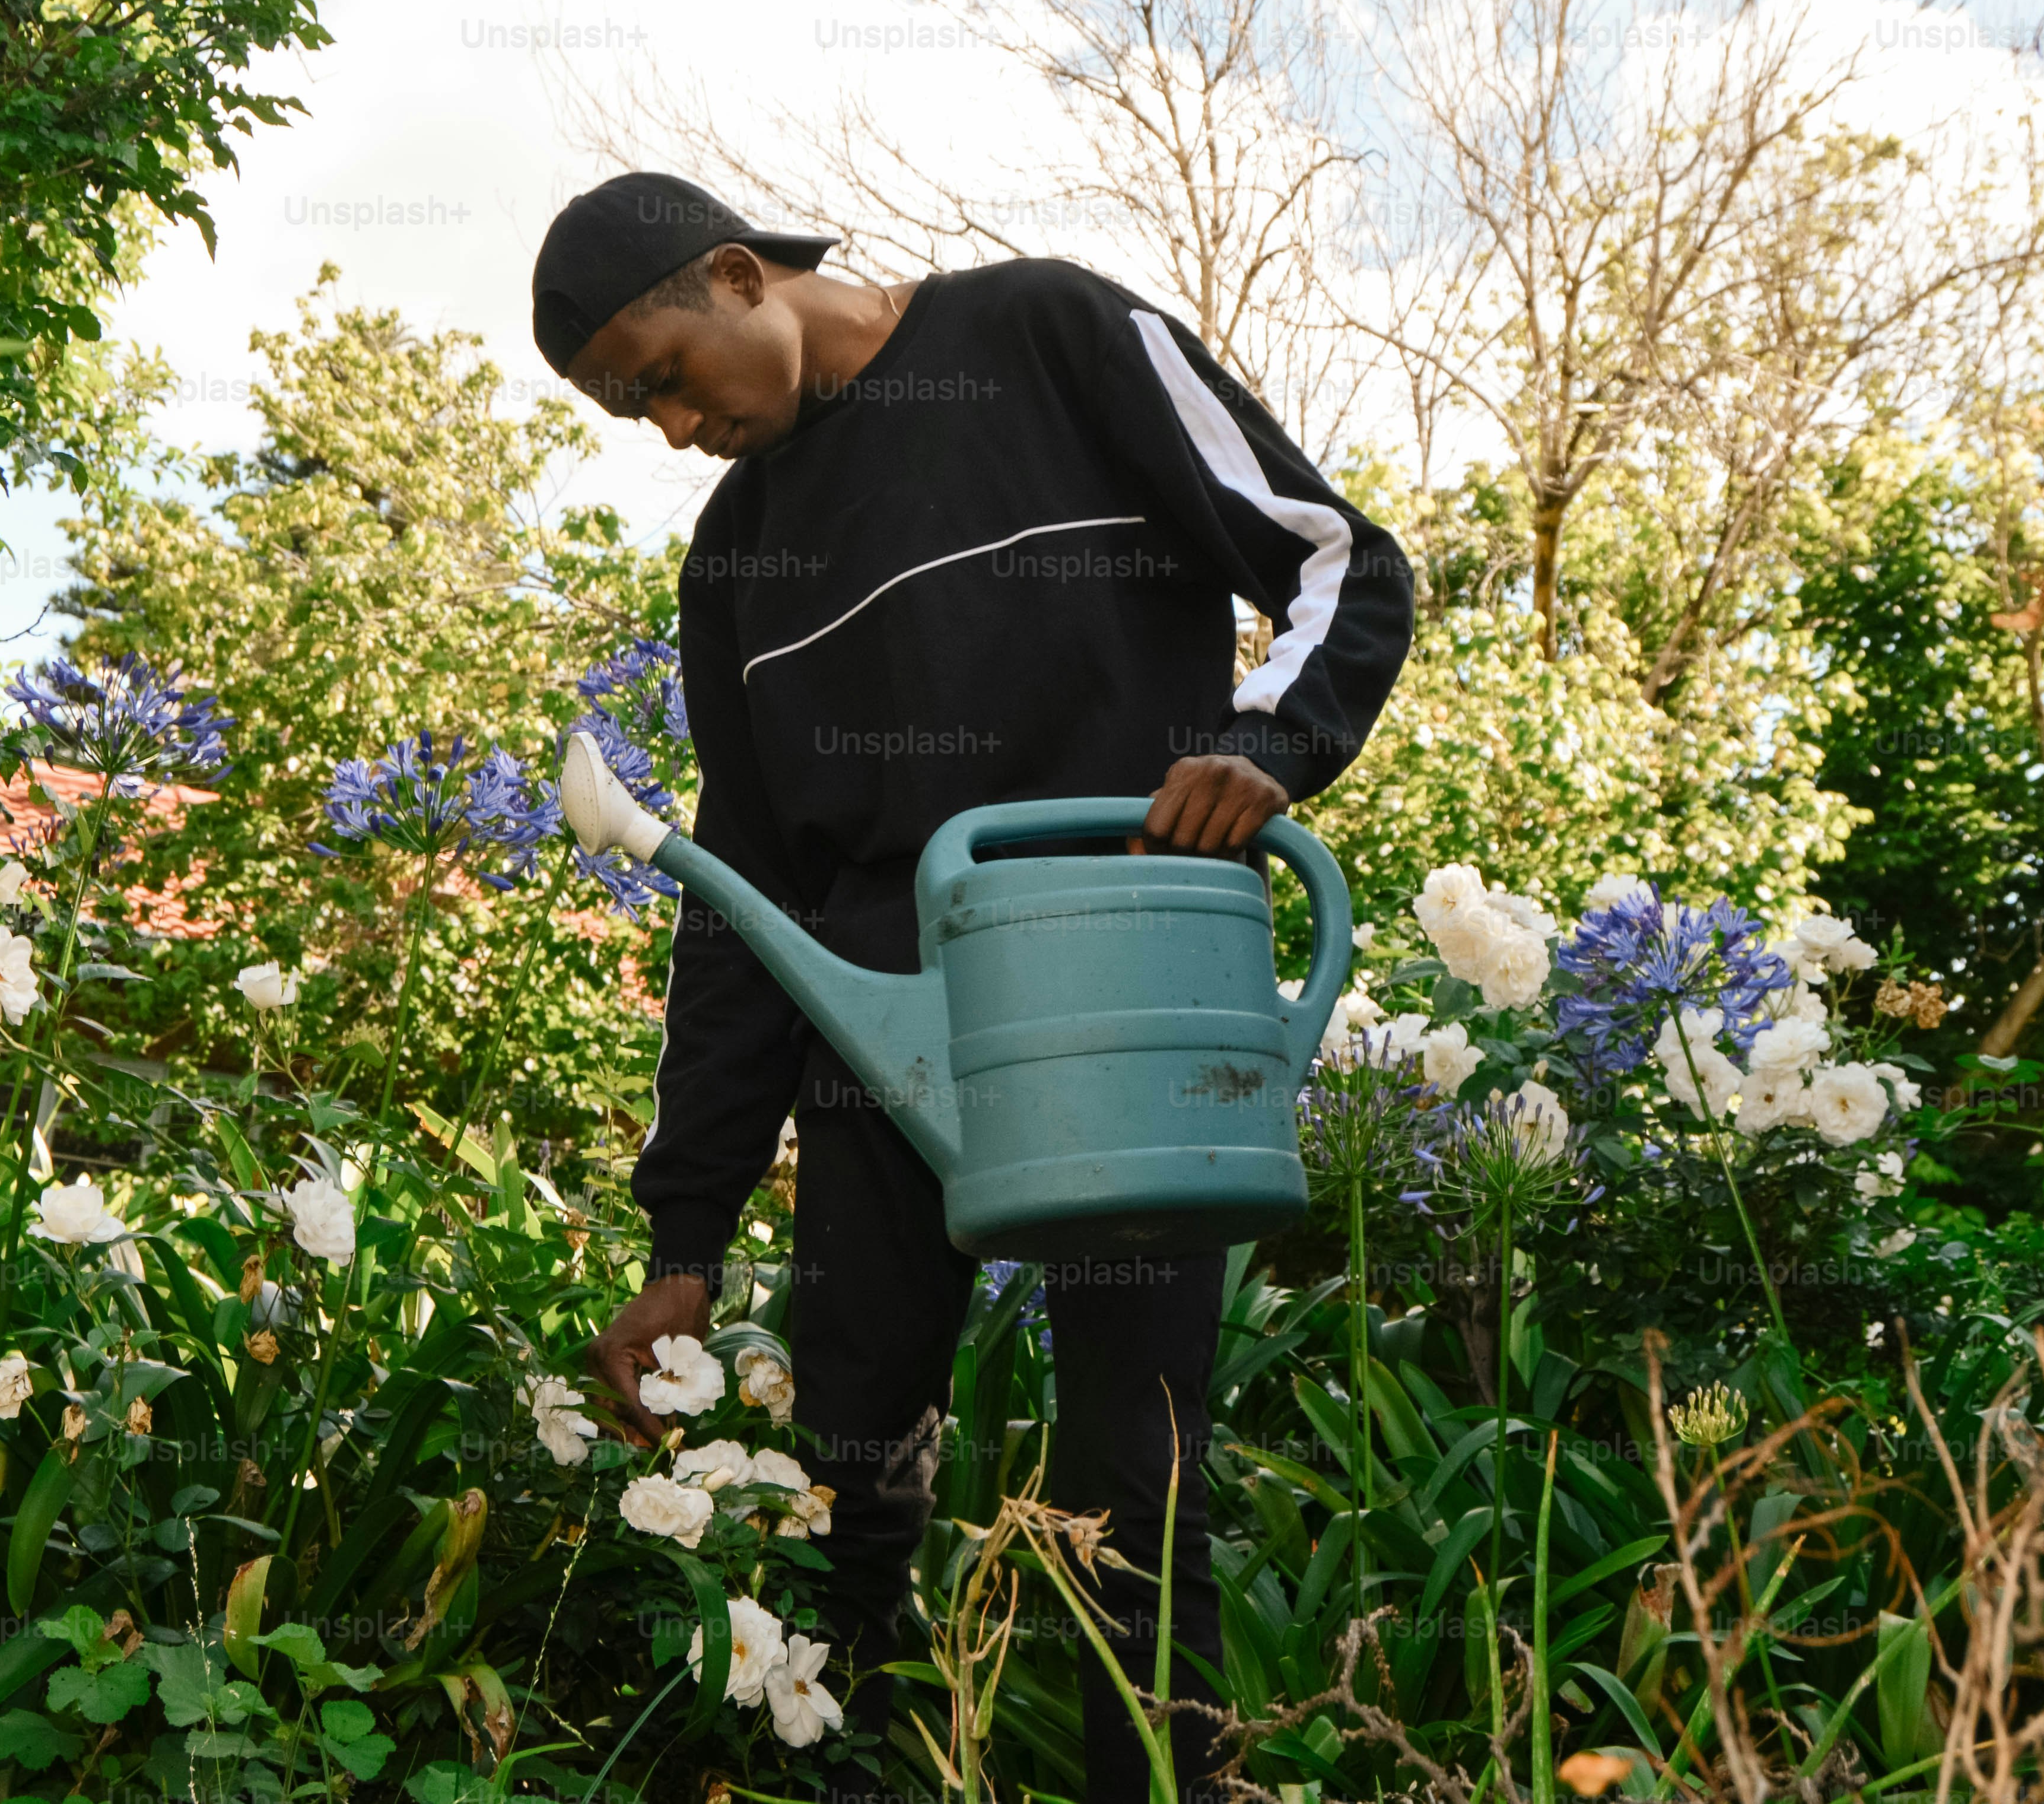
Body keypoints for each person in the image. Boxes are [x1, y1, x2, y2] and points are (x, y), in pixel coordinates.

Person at [538, 171, 1412, 1801]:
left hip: (1123, 986)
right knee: (847, 1477)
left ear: (738, 273)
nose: (664, 427)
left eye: (660, 373)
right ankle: (848, 1772)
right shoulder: (737, 561)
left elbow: (1338, 556)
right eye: (626, 408)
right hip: (881, 1035)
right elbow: (746, 908)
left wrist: (1268, 749)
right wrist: (685, 1241)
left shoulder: (1047, 334)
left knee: (1130, 1478)